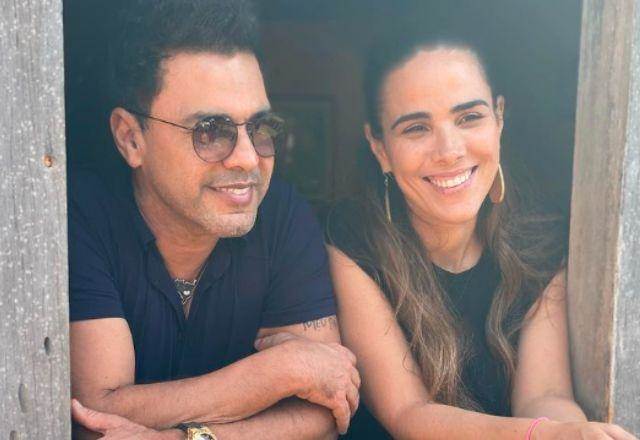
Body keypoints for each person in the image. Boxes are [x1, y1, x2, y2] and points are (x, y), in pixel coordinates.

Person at [68, 1, 360, 439]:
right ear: (130, 139)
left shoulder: (280, 213)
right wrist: (279, 371)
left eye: (260, 128)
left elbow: (324, 412)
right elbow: (93, 412)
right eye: (209, 131)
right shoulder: (81, 215)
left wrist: (184, 438)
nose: (248, 159)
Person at [325, 30, 637, 439]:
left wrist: (574, 433)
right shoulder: (351, 240)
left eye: (469, 117)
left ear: (499, 118)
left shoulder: (538, 242)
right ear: (380, 147)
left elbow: (544, 394)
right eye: (416, 128)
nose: (449, 150)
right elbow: (408, 413)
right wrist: (544, 436)